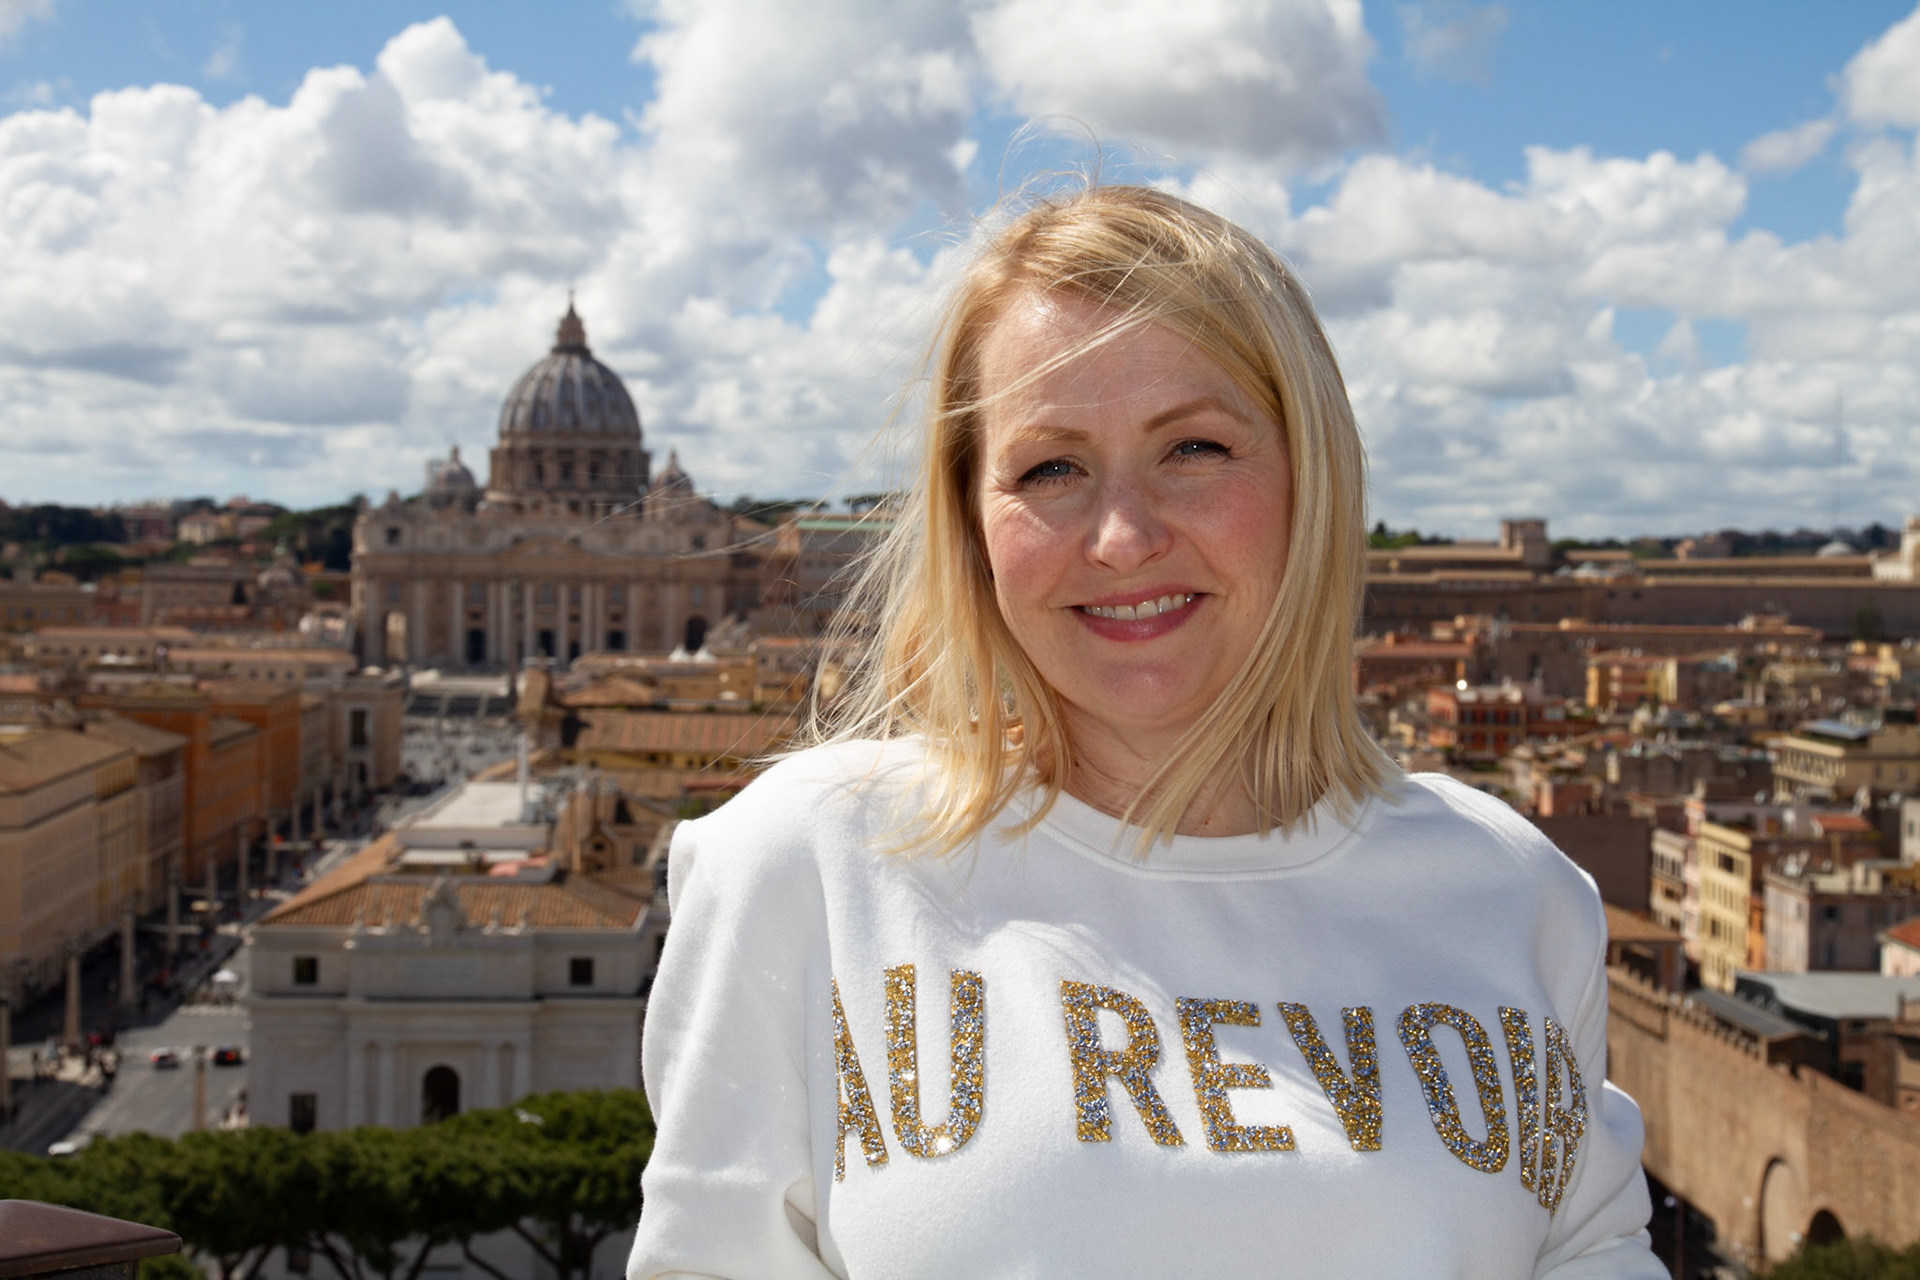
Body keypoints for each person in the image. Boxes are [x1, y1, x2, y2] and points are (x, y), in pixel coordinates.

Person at [628, 185, 1663, 1278]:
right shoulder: (801, 866)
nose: (1123, 537)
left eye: (1195, 448)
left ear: (1313, 478)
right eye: (1051, 468)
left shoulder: (1515, 894)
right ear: (972, 524)